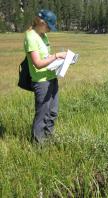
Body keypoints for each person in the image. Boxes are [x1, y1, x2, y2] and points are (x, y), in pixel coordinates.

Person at [24, 9, 66, 143]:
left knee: (52, 112)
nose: (50, 30)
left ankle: (49, 139)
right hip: (41, 81)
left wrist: (60, 61)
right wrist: (56, 56)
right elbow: (38, 63)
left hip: (52, 78)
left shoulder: (43, 36)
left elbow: (46, 57)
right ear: (42, 23)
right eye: (49, 26)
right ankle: (38, 145)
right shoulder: (30, 36)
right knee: (42, 115)